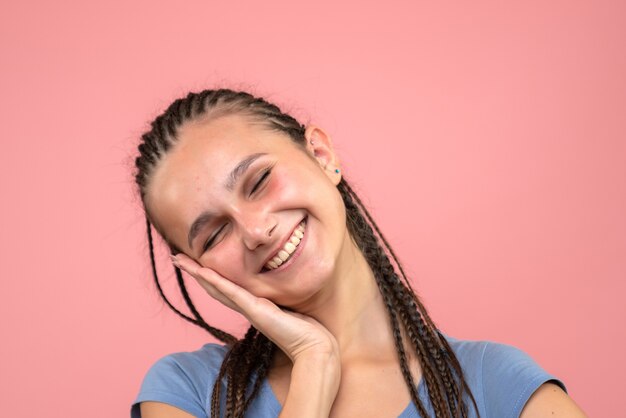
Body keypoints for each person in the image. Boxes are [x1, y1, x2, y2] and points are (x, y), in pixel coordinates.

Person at [130, 89, 586, 418]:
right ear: (197, 271)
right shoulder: (186, 392)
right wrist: (313, 364)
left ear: (322, 154)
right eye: (213, 236)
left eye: (259, 181)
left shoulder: (496, 387)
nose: (255, 231)